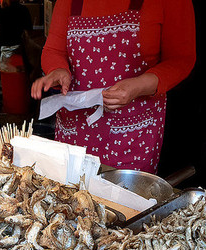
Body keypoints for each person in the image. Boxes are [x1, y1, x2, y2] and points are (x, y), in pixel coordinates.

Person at [31, 0, 196, 173]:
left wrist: (139, 85)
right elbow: (53, 49)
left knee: (122, 196)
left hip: (132, 135)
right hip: (75, 131)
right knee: (69, 193)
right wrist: (58, 69)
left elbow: (180, 59)